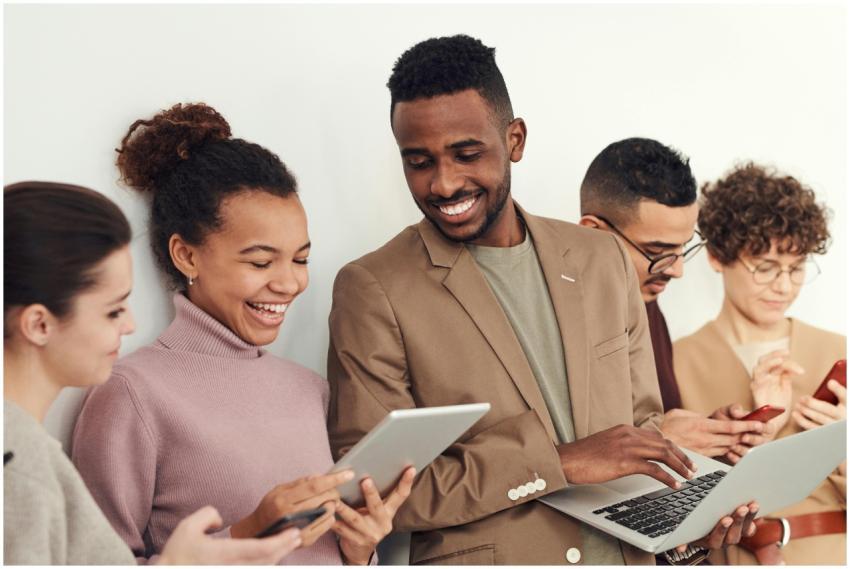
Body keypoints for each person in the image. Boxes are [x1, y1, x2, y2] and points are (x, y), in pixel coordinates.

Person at [327, 34, 757, 566]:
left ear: (515, 140)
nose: (443, 182)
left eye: (466, 153)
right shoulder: (373, 289)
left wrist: (688, 525)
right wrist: (557, 462)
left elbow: (643, 431)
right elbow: (376, 491)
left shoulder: (602, 259)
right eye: (418, 161)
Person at [71, 103, 414, 565]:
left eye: (300, 259)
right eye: (259, 262)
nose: (289, 283)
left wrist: (360, 550)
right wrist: (249, 531)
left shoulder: (310, 389)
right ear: (186, 256)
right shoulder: (131, 393)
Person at [3, 181, 303, 565]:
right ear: (39, 325)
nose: (130, 325)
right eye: (113, 310)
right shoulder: (18, 464)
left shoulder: (30, 453)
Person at [674, 163, 846, 565]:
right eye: (765, 267)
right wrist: (754, 440)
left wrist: (842, 444)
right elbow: (669, 501)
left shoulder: (838, 351)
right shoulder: (676, 360)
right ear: (717, 256)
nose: (784, 286)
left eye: (796, 267)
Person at [578, 138, 774, 464]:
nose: (678, 271)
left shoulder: (647, 304)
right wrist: (657, 438)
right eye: (657, 253)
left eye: (683, 248)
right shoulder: (546, 316)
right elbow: (547, 460)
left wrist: (709, 435)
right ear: (593, 233)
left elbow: (662, 430)